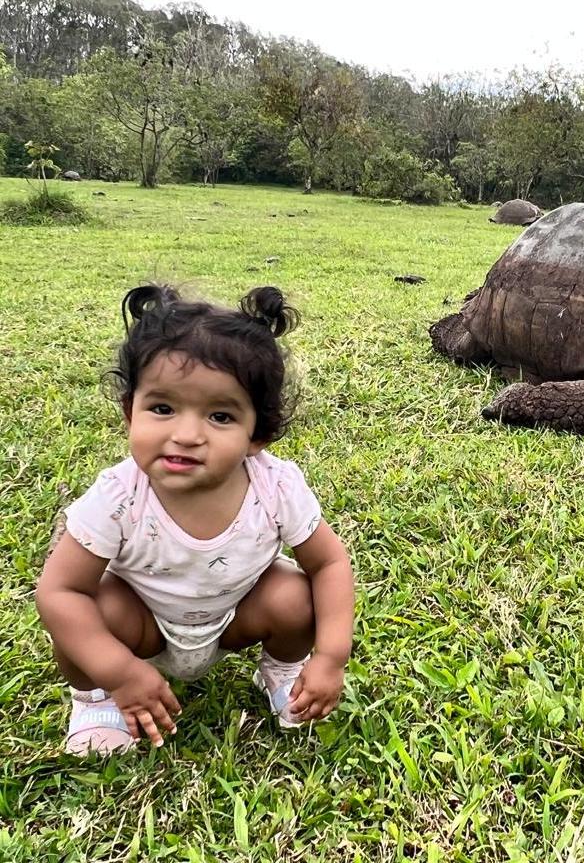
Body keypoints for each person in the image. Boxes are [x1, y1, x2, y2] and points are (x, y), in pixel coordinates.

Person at [35, 284, 355, 756]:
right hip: (139, 623)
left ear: (258, 435)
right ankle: (95, 698)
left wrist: (330, 656)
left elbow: (329, 564)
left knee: (293, 593)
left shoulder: (276, 487)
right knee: (91, 611)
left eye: (220, 416)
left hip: (232, 620)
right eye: (162, 409)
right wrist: (117, 669)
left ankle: (283, 672)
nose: (186, 435)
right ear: (131, 413)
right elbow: (58, 592)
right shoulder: (119, 495)